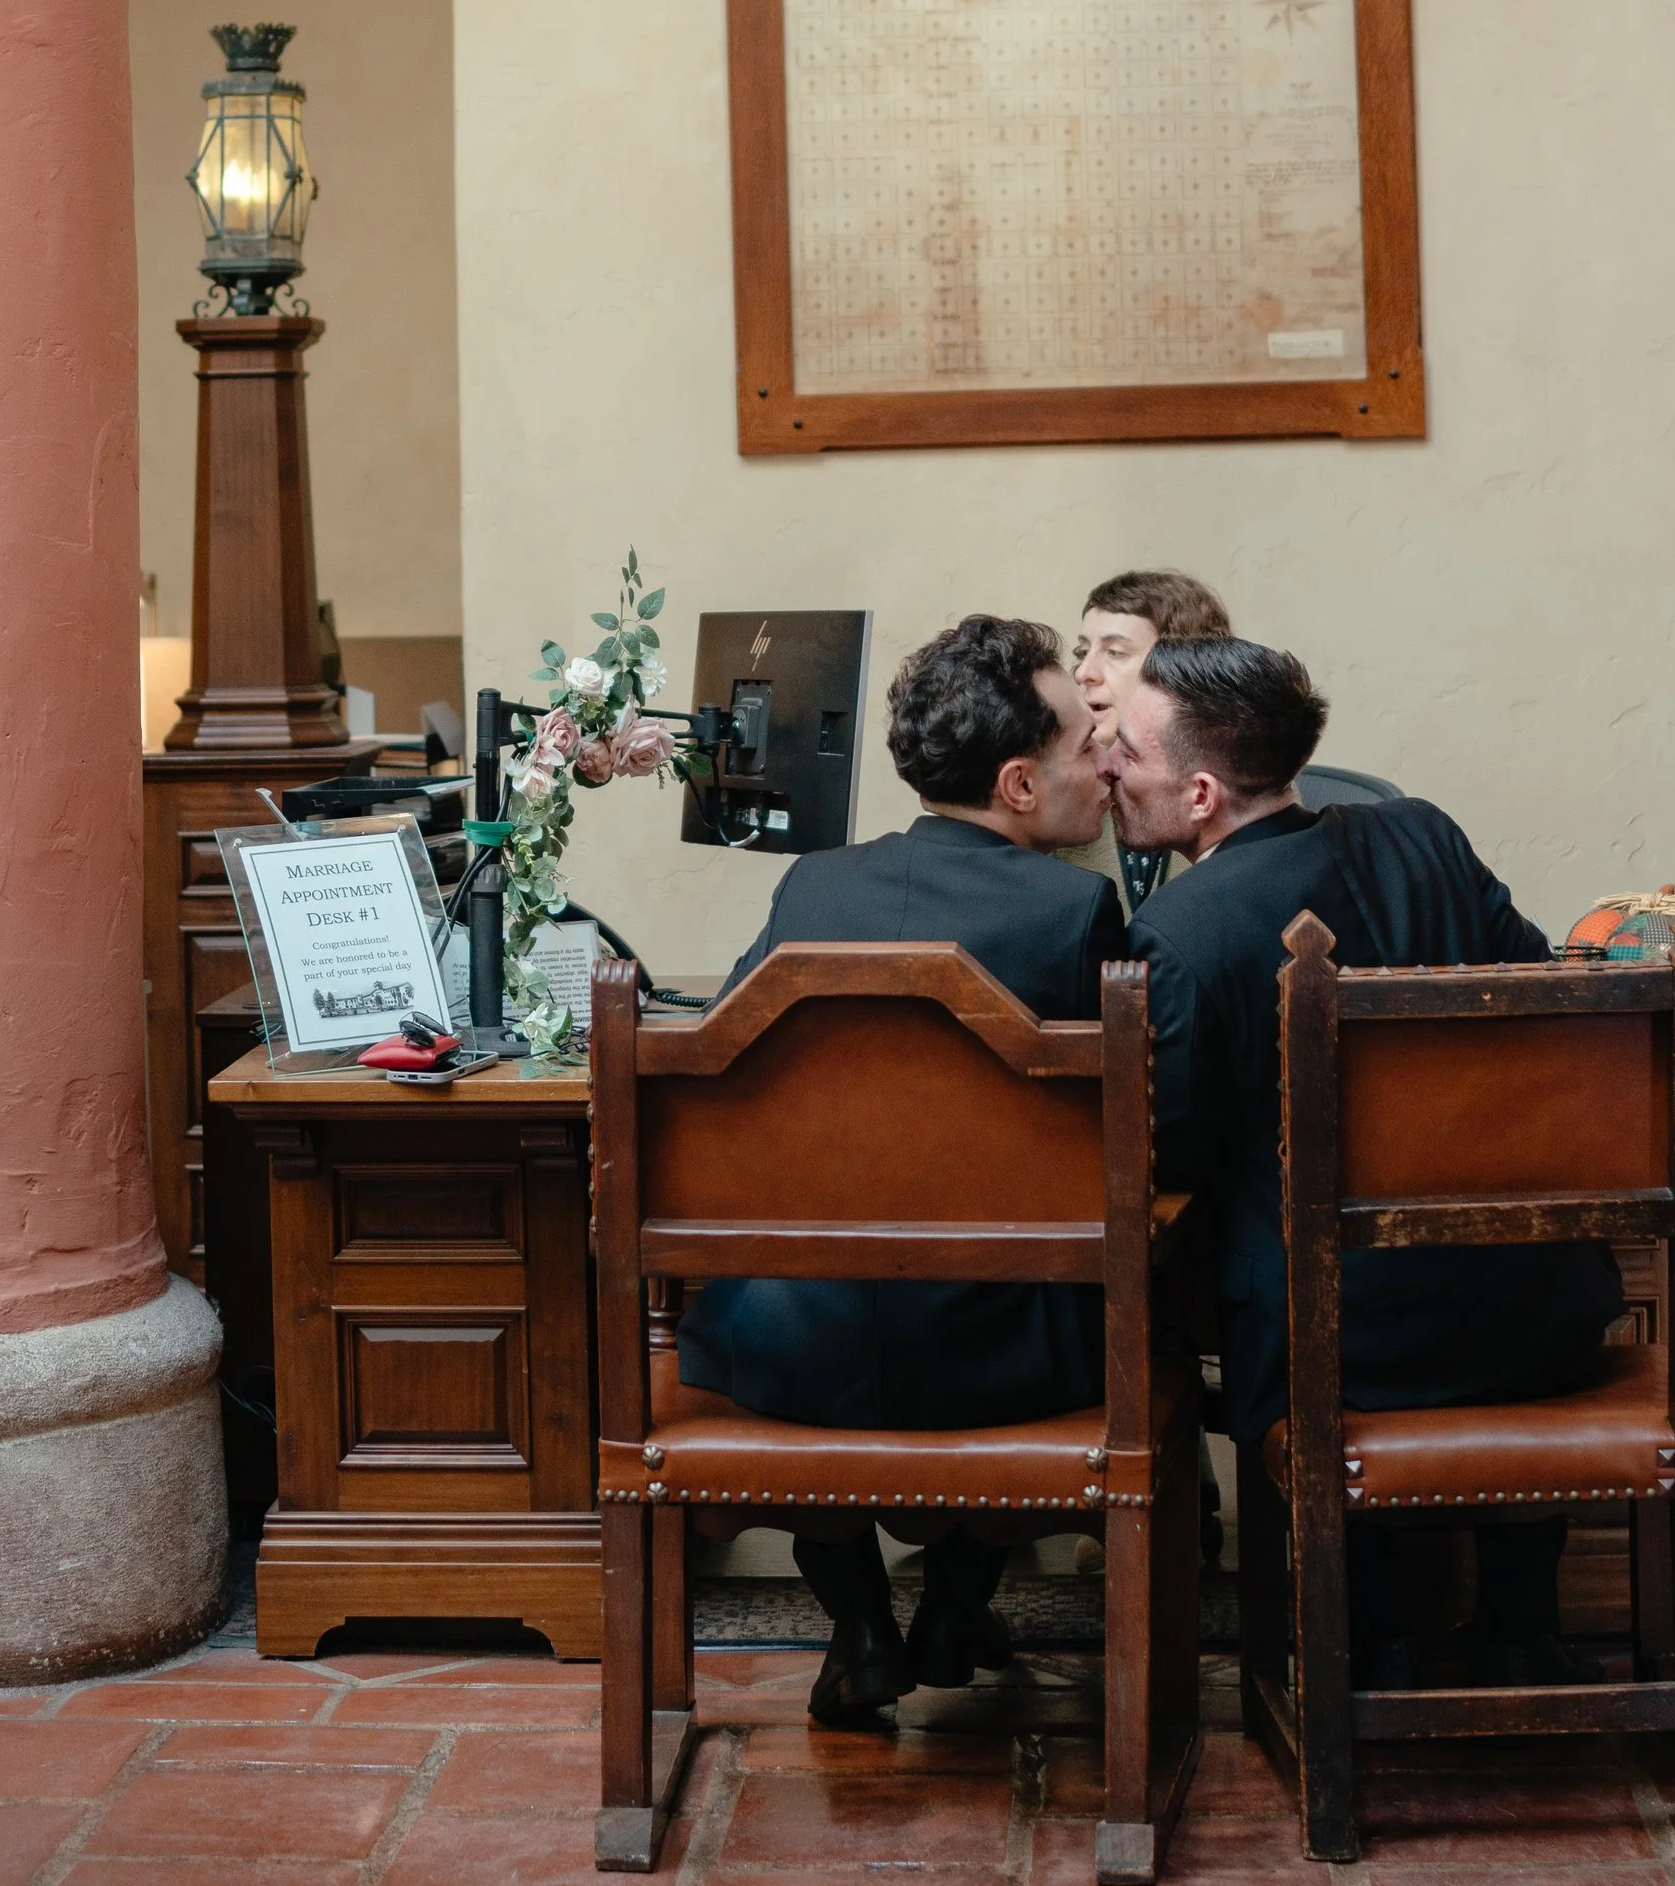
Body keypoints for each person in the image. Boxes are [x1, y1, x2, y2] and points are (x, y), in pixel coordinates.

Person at [1111, 637, 1622, 1684]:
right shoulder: (1423, 837)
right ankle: (1520, 1620)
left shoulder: (1178, 930)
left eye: (1123, 748)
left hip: (1337, 1349)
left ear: (1200, 792)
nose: (1104, 762)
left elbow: (1174, 1149)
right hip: (1538, 1310)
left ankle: (1375, 1640)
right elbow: (1538, 1004)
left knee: (1249, 1263)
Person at [676, 615, 1123, 1724]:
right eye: (1082, 746)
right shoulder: (1077, 909)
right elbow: (1129, 1115)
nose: (1106, 766)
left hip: (799, 1345)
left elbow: (719, 1074)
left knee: (809, 1293)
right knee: (1069, 1289)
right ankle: (953, 1609)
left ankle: (860, 1629)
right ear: (1019, 785)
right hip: (1000, 1357)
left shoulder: (814, 891)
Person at [1070, 567, 1230, 907]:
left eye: (1115, 652)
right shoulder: (1063, 785)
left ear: (1184, 669)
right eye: (1083, 652)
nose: (1084, 673)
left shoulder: (1245, 786)